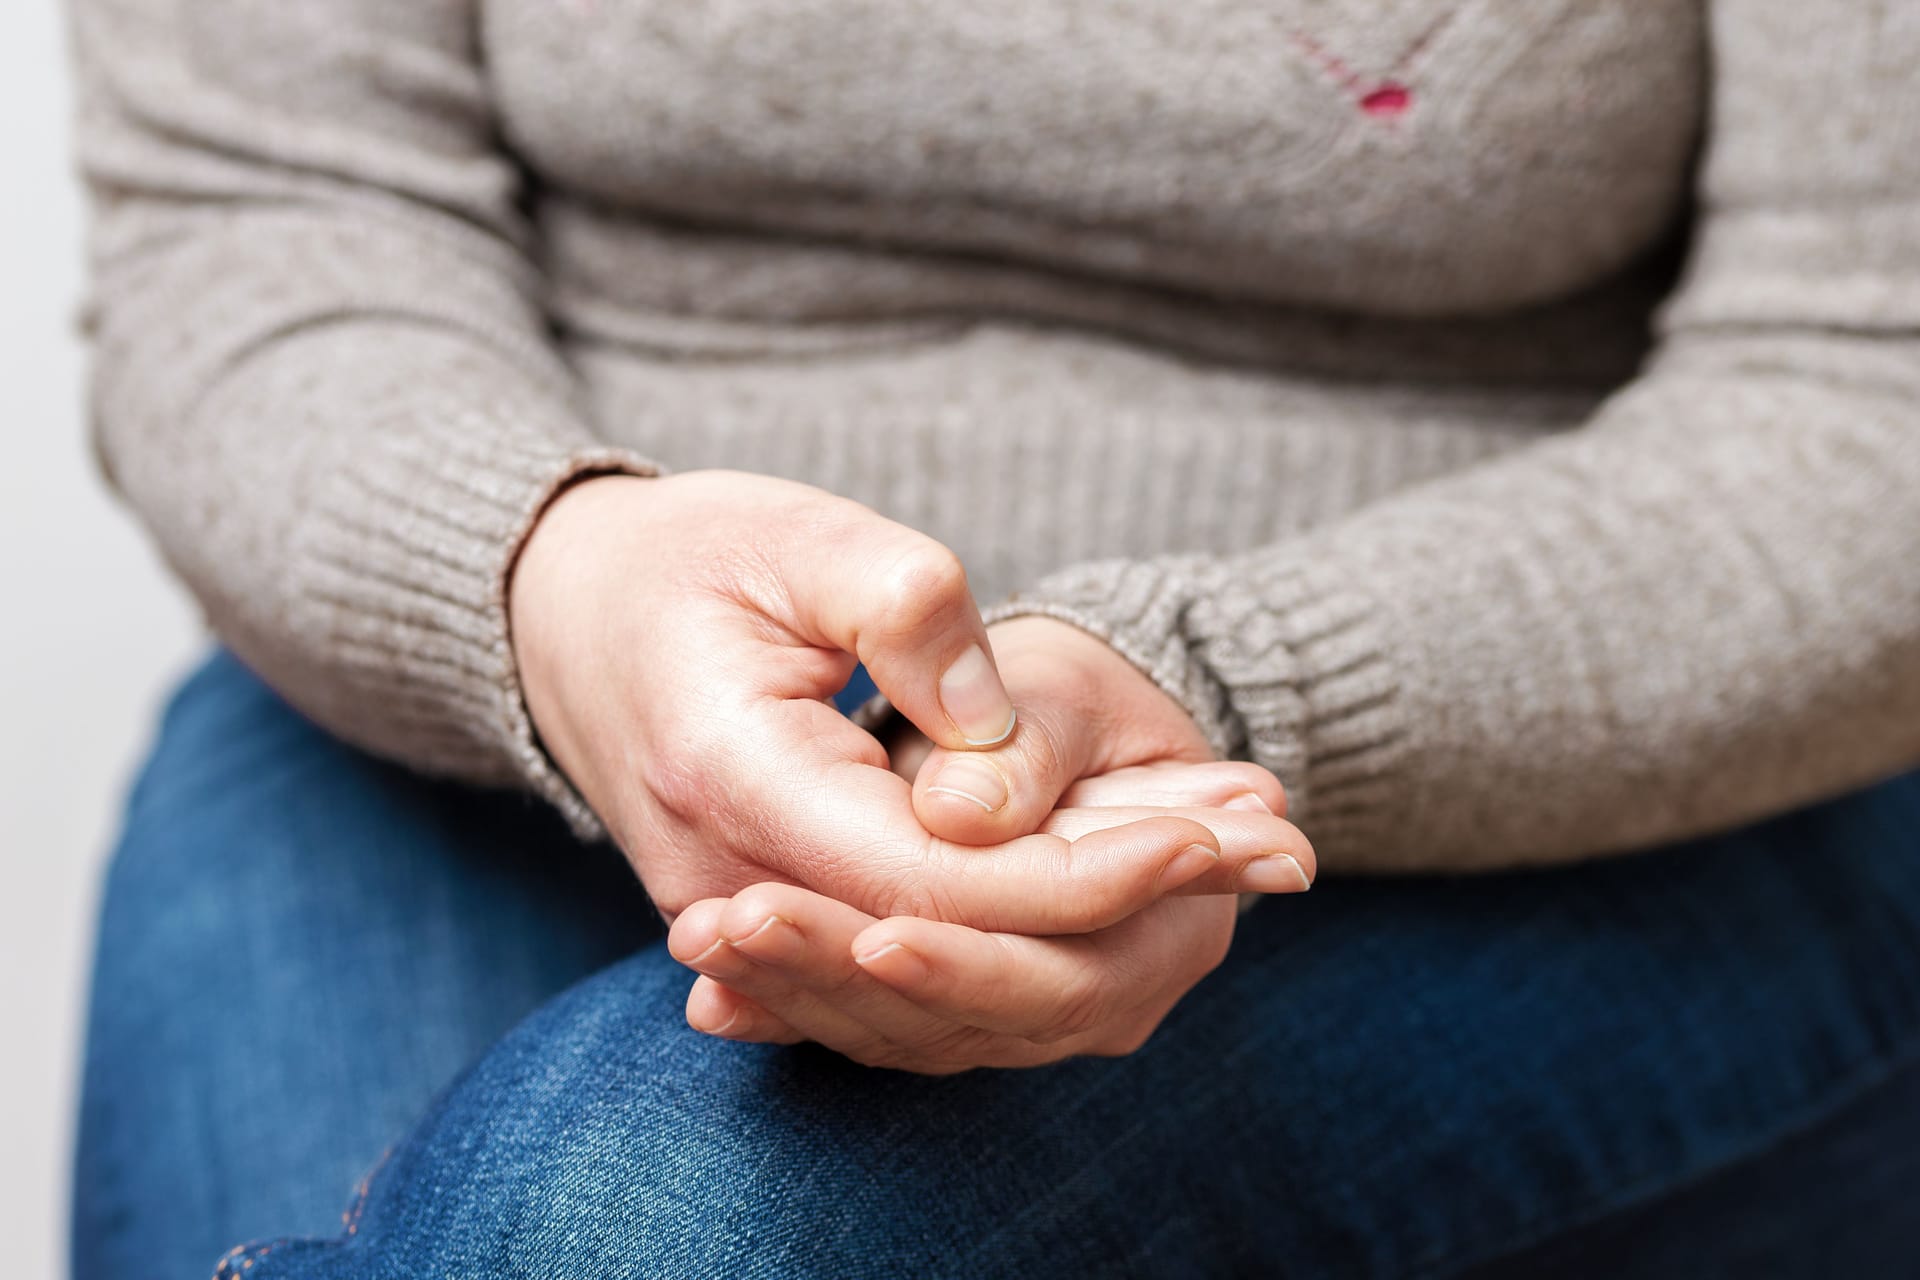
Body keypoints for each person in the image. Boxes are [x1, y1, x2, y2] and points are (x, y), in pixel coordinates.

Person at [67, 0, 1920, 1275]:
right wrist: (559, 585)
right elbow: (268, 221)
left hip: (1551, 755)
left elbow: (1870, 385)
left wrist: (1210, 687)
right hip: (471, 701)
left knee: (647, 1222)